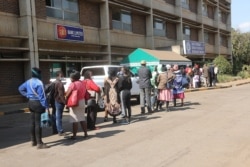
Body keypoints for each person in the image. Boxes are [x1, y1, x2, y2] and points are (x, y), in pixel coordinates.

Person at [18, 67, 50, 149]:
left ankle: (33, 141)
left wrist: (27, 95)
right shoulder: (39, 83)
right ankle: (39, 143)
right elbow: (42, 97)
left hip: (30, 102)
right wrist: (46, 107)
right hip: (38, 104)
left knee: (32, 122)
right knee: (38, 123)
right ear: (39, 74)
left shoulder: (28, 81)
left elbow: (20, 88)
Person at [65, 71, 88, 140]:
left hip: (75, 102)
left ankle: (74, 135)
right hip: (82, 101)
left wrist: (65, 98)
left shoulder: (73, 84)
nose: (70, 78)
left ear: (73, 78)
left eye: (70, 77)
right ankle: (86, 133)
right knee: (82, 118)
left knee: (75, 119)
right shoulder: (82, 83)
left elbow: (68, 94)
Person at [52, 71, 66, 136]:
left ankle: (55, 129)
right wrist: (64, 102)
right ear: (59, 76)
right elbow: (61, 95)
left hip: (53, 101)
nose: (63, 77)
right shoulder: (59, 83)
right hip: (59, 101)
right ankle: (60, 130)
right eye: (62, 76)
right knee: (59, 116)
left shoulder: (53, 82)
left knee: (54, 115)